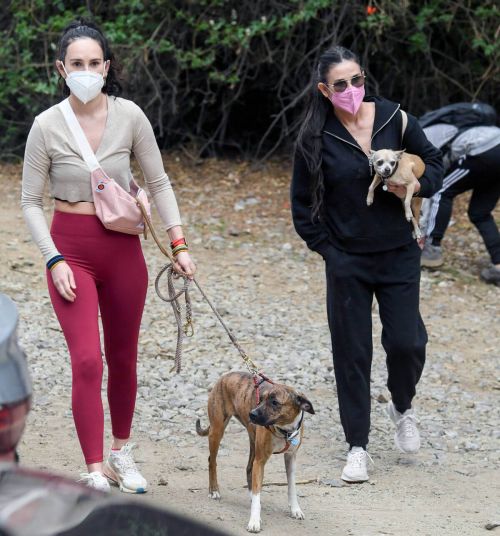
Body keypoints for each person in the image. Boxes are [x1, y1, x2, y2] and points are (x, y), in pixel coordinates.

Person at [21, 20, 196, 492]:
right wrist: (53, 259)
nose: (86, 71)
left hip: (123, 251)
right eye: (76, 63)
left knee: (123, 358)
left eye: (93, 63)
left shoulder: (130, 116)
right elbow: (29, 202)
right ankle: (94, 469)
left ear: (107, 66)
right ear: (61, 69)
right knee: (85, 360)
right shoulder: (46, 125)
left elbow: (158, 182)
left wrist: (178, 243)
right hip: (70, 251)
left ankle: (121, 454)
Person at [290, 46, 443, 482]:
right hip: (347, 260)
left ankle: (401, 405)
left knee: (408, 342)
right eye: (341, 84)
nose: (352, 90)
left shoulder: (396, 117)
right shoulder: (315, 136)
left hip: (398, 253)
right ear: (325, 90)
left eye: (357, 80)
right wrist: (328, 250)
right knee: (352, 352)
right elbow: (301, 204)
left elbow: (435, 164)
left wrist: (417, 183)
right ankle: (357, 445)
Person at [421, 125, 500, 286]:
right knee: (480, 213)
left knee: (441, 191)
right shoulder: (459, 130)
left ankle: (432, 249)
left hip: (486, 151)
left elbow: (436, 180)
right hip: (492, 152)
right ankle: (499, 265)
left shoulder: (431, 139)